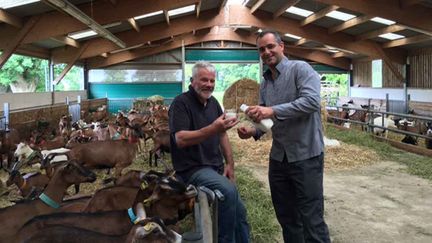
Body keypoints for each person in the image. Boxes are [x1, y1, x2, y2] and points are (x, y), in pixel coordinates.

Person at [237, 30, 331, 243]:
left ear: (282, 46)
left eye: (270, 46)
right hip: (279, 158)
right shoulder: (266, 83)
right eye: (262, 49)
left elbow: (311, 102)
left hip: (306, 156)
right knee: (287, 218)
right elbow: (266, 120)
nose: (266, 52)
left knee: (311, 219)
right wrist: (253, 130)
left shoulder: (301, 69)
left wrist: (273, 110)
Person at [168, 61, 250, 243]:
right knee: (229, 192)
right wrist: (213, 128)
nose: (209, 85)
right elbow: (180, 139)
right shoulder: (180, 103)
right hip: (192, 169)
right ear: (192, 81)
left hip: (214, 167)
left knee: (240, 210)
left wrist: (230, 164)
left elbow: (222, 135)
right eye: (204, 80)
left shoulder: (213, 103)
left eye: (212, 81)